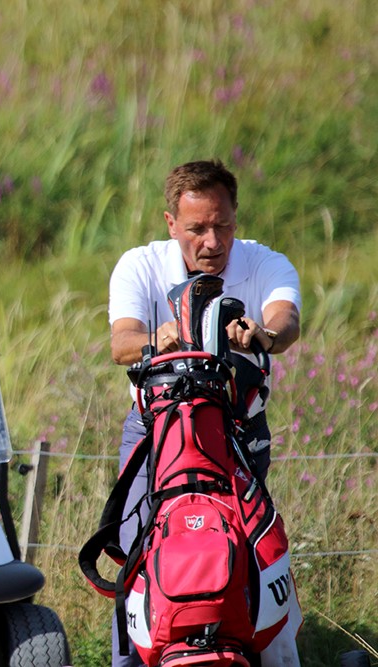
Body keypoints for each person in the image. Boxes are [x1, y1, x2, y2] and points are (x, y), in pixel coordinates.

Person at [108, 159, 302, 667]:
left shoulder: (264, 263)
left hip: (238, 427)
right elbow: (121, 343)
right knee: (138, 557)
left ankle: (240, 645)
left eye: (223, 226)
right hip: (158, 429)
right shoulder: (141, 264)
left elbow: (287, 317)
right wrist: (159, 338)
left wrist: (266, 334)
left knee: (243, 543)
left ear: (236, 216)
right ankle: (134, 656)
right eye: (196, 229)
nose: (212, 242)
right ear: (171, 223)